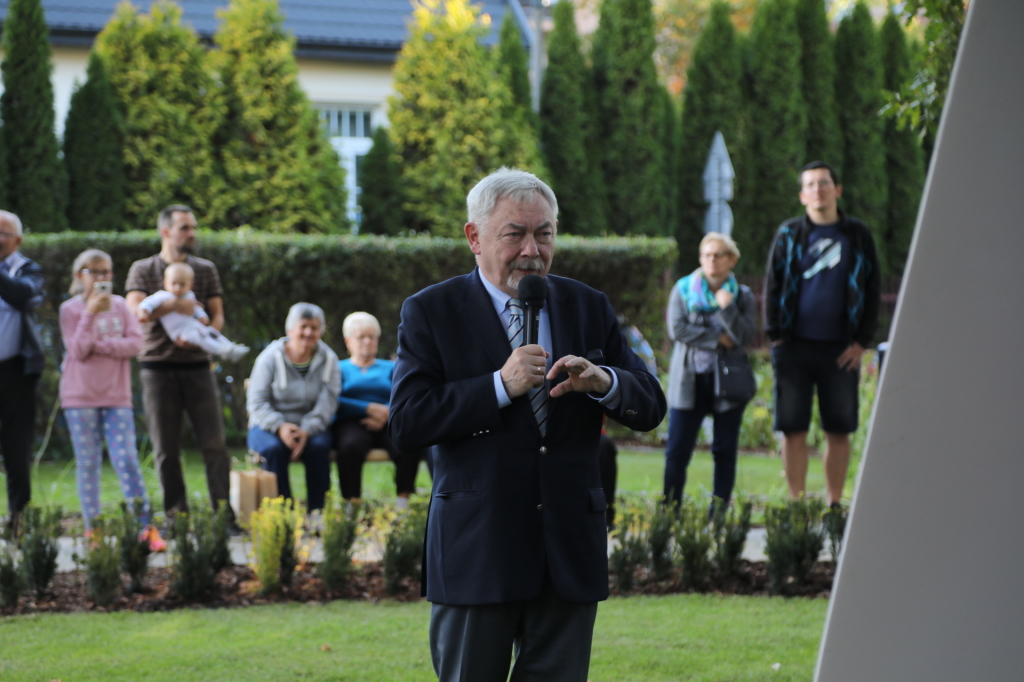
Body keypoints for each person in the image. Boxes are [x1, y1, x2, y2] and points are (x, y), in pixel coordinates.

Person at [389, 168, 666, 682]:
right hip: (479, 550)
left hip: (567, 553)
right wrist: (499, 385)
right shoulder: (431, 311)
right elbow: (407, 422)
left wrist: (604, 380)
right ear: (474, 237)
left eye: (544, 233)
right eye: (514, 233)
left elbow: (650, 404)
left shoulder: (587, 304)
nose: (532, 251)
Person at [764, 161, 880, 506]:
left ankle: (833, 504)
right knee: (793, 430)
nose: (819, 189)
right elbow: (772, 287)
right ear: (803, 195)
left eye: (825, 183)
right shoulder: (788, 234)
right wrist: (777, 339)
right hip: (793, 349)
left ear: (837, 190)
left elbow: (872, 290)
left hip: (841, 351)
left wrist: (861, 342)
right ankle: (796, 506)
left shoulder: (858, 235)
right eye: (811, 184)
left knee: (839, 430)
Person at [125, 205, 235, 524]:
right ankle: (177, 519)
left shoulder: (205, 269)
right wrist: (176, 304)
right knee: (166, 449)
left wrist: (204, 333)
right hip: (157, 370)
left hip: (199, 367)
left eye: (193, 227)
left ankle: (224, 517)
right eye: (185, 227)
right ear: (166, 232)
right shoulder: (142, 269)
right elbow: (136, 312)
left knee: (215, 444)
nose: (192, 233)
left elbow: (217, 316)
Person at [59, 250, 165, 551]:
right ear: (80, 275)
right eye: (95, 272)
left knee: (127, 460)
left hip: (117, 396)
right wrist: (91, 313)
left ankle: (145, 527)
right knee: (88, 464)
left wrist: (100, 345)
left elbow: (136, 344)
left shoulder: (120, 306)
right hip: (80, 399)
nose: (102, 278)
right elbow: (78, 349)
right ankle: (93, 530)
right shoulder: (70, 309)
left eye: (106, 272)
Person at [663, 233, 756, 513]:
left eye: (717, 255)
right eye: (706, 255)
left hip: (728, 383)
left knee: (725, 452)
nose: (711, 261)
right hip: (689, 382)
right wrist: (718, 338)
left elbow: (745, 336)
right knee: (677, 452)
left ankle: (718, 517)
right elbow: (677, 330)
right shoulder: (682, 290)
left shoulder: (742, 296)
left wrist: (727, 307)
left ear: (731, 260)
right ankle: (669, 512)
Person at [246, 303, 340, 512]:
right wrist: (280, 426)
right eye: (303, 326)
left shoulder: (329, 360)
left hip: (312, 425)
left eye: (314, 328)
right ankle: (283, 516)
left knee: (318, 448)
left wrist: (307, 430)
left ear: (321, 331)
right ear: (290, 330)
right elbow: (257, 402)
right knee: (273, 450)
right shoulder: (269, 358)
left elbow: (328, 403)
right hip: (268, 424)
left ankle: (318, 513)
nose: (308, 332)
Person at [334, 311, 424, 509]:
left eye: (371, 337)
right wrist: (367, 408)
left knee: (408, 442)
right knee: (349, 446)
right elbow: (333, 399)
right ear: (348, 341)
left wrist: (385, 412)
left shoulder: (391, 367)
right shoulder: (338, 368)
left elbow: (404, 394)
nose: (367, 341)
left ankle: (402, 504)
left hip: (389, 420)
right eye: (361, 337)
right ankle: (352, 505)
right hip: (351, 422)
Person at [0, 211, 44, 536]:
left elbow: (21, 296)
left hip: (15, 371)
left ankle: (17, 522)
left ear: (18, 240)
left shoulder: (28, 270)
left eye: (3, 233)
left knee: (16, 448)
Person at [137, 262, 249, 362]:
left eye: (182, 284)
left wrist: (202, 316)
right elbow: (147, 303)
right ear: (166, 283)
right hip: (179, 332)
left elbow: (196, 308)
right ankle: (221, 350)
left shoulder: (189, 295)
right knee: (200, 338)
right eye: (174, 283)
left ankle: (229, 347)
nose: (177, 288)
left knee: (210, 332)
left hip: (193, 325)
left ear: (190, 285)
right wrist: (144, 312)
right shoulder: (162, 296)